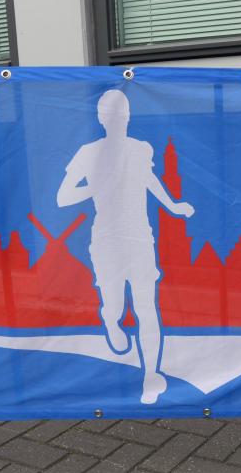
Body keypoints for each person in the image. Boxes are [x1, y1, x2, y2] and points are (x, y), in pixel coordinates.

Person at [57, 89, 194, 404]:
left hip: (140, 237)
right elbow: (62, 197)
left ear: (128, 116)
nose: (120, 119)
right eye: (113, 114)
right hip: (106, 241)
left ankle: (151, 376)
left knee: (147, 308)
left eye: (123, 113)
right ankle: (111, 320)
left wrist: (173, 206)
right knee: (115, 305)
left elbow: (149, 180)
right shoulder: (89, 153)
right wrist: (96, 186)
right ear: (102, 118)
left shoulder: (140, 149)